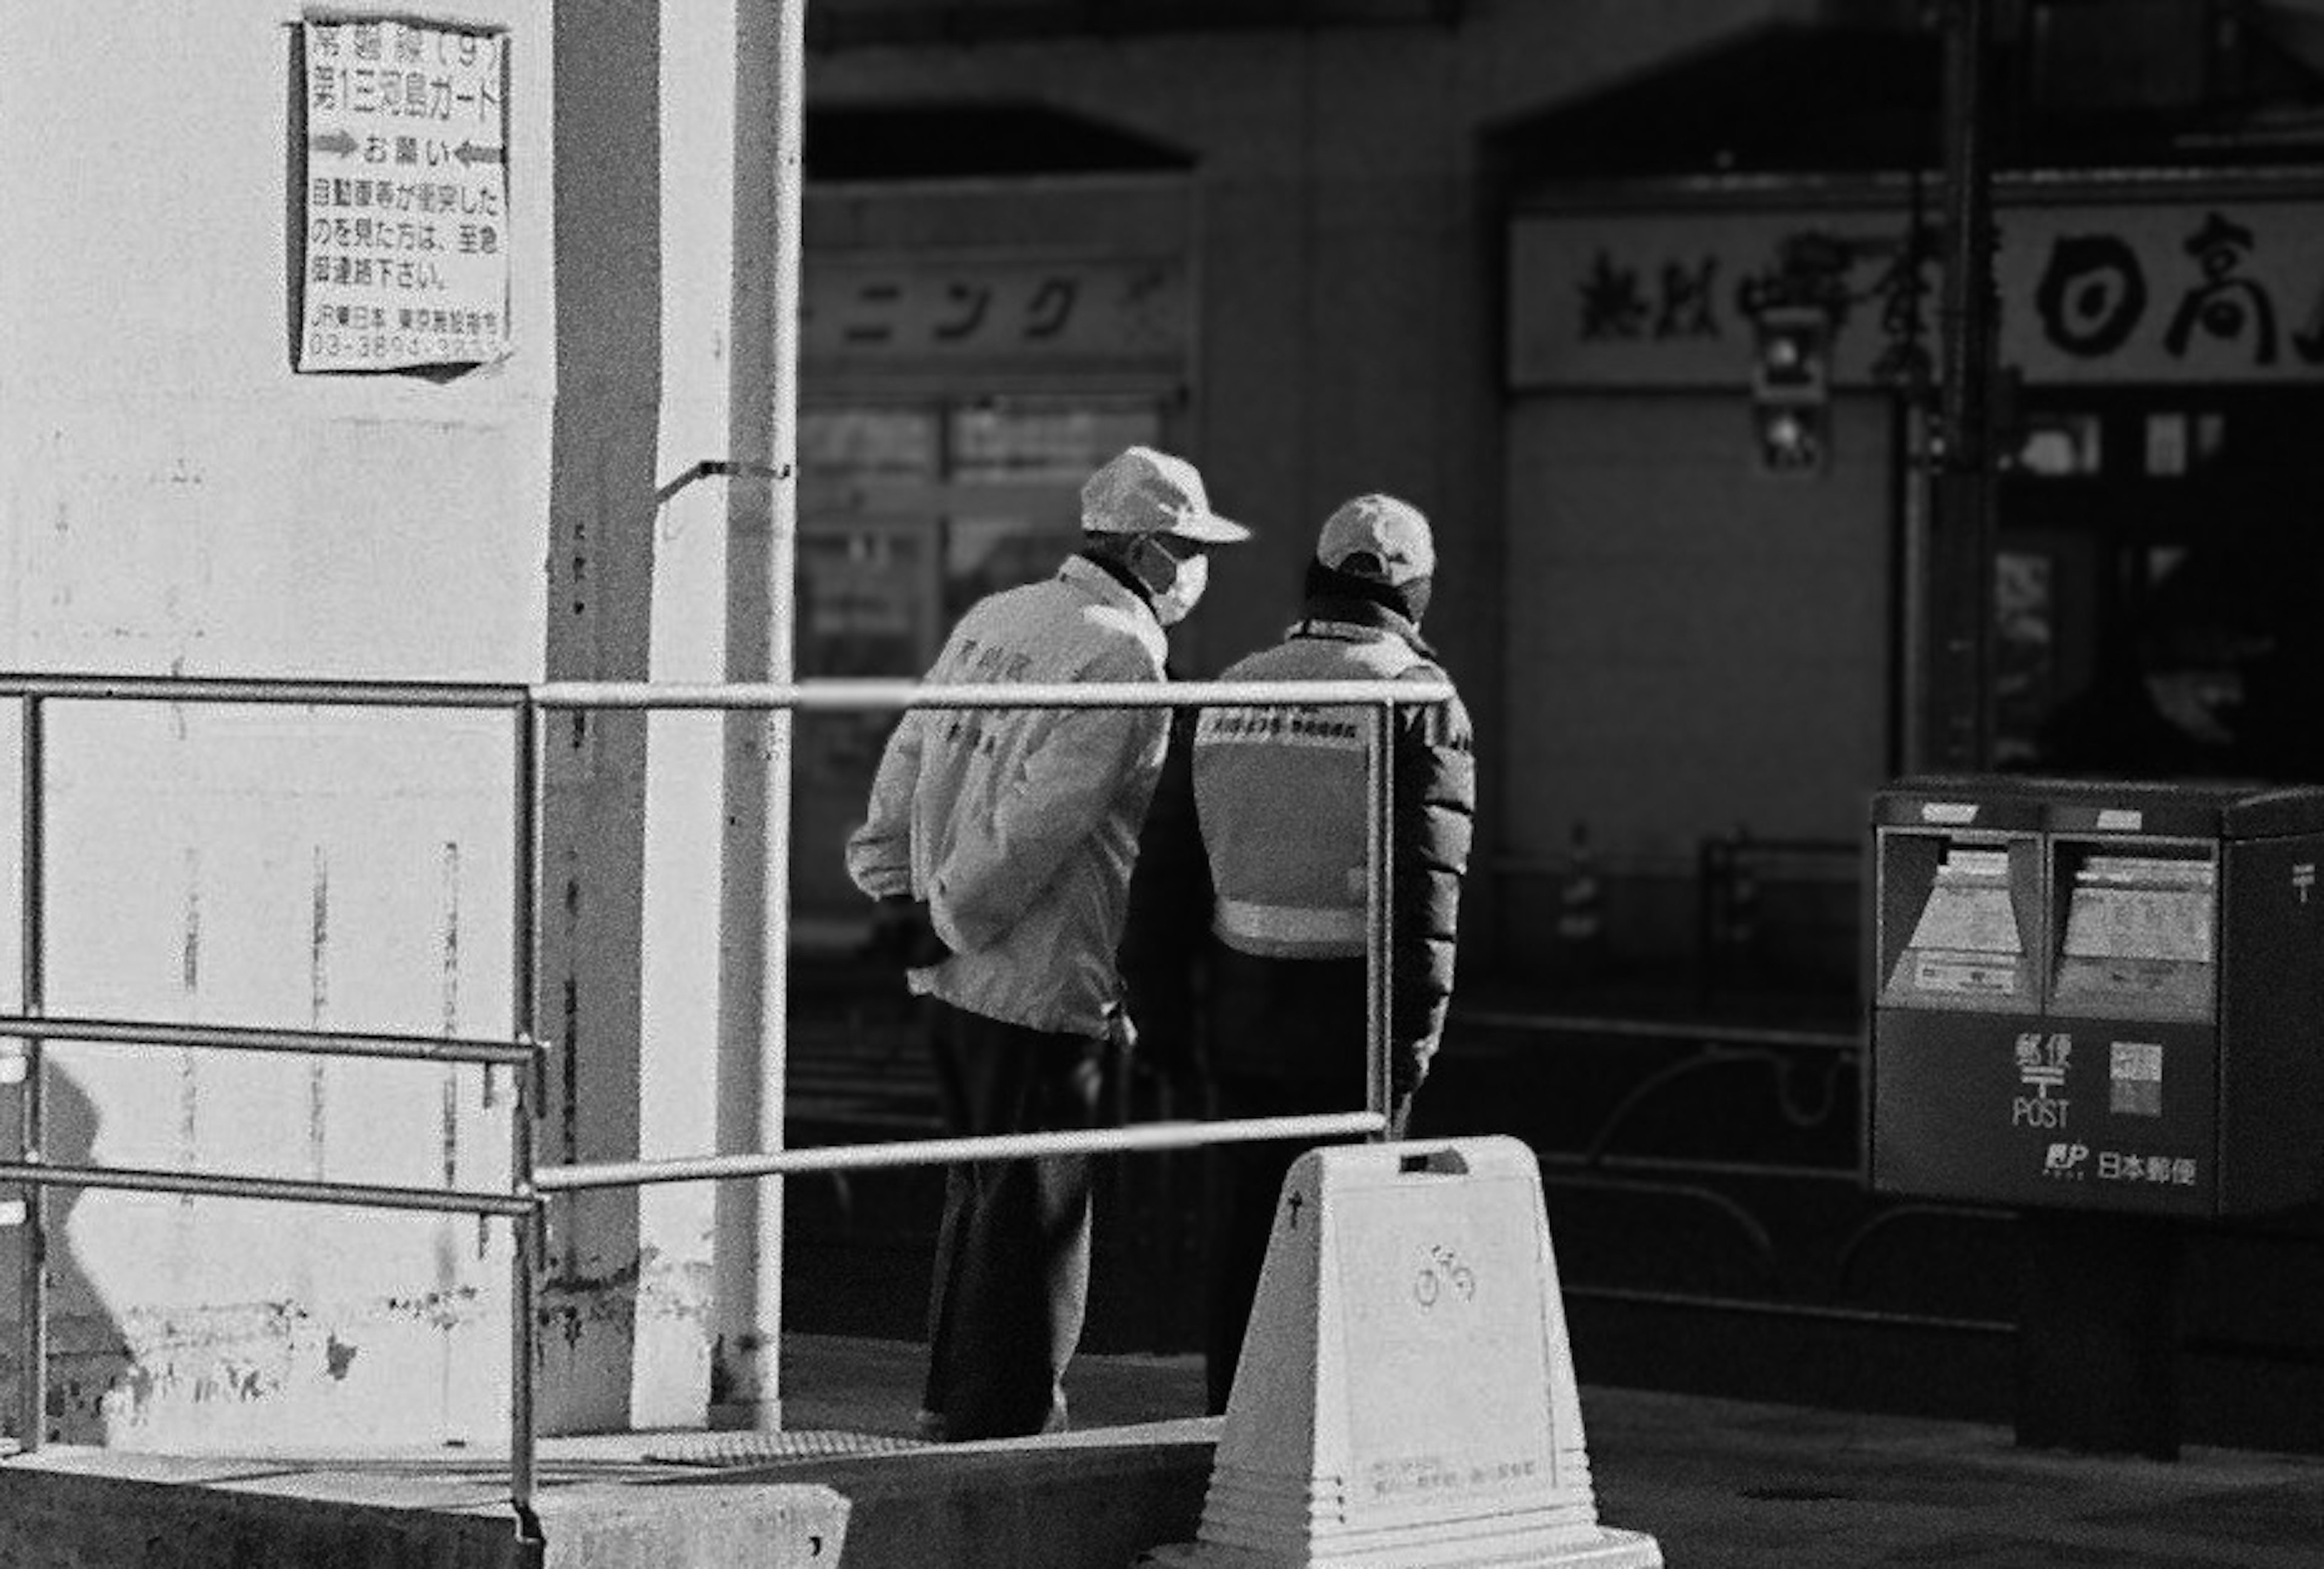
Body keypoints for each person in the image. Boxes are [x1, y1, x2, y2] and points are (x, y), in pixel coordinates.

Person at [845, 444, 1250, 1440]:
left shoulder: (998, 617)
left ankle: (955, 1405)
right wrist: (956, 917)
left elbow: (908, 752)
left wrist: (900, 891)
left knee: (980, 1196)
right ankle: (1012, 1421)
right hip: (1040, 972)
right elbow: (1041, 824)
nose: (1197, 569)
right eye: (1189, 549)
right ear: (1150, 550)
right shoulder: (1121, 653)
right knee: (1037, 1216)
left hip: (953, 972)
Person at [1187, 492, 1475, 1414]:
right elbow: (1429, 891)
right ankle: (1330, 1435)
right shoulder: (1415, 698)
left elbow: (1170, 867)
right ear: (1418, 592)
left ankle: (1232, 1426)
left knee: (1245, 1235)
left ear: (1315, 576)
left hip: (1237, 1007)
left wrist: (1167, 1007)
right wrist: (1416, 1040)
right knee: (1347, 1240)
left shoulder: (1233, 686)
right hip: (1355, 1019)